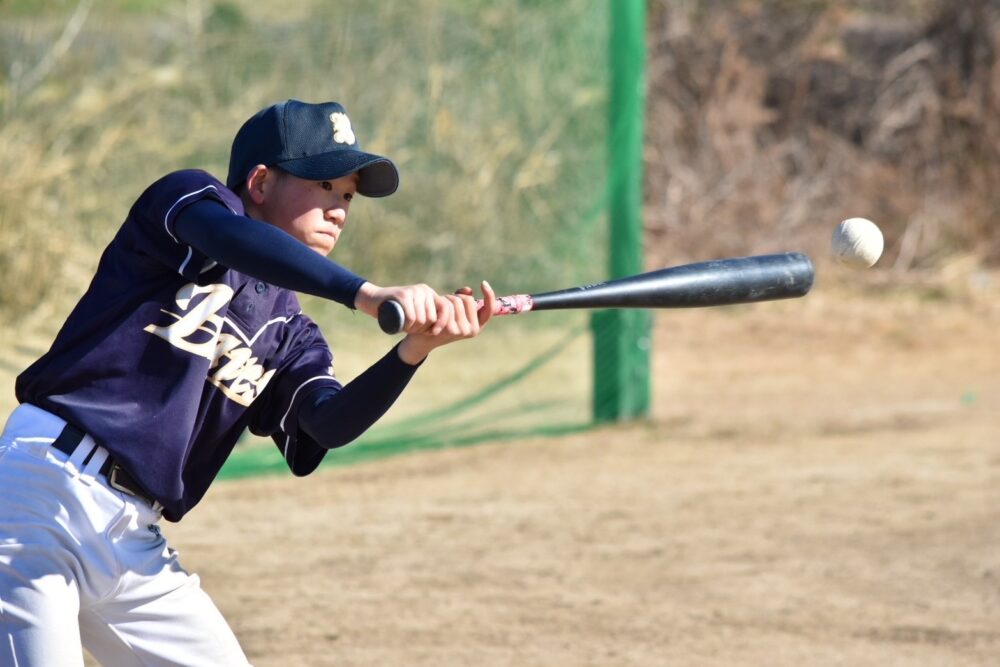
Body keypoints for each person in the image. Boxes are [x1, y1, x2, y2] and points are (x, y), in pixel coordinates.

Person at [0, 99, 496, 665]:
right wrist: (365, 293)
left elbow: (326, 425)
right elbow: (233, 242)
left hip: (133, 541)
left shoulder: (292, 333)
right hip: (45, 492)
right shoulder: (188, 205)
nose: (340, 209)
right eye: (325, 184)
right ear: (260, 181)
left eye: (349, 197)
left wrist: (411, 352)